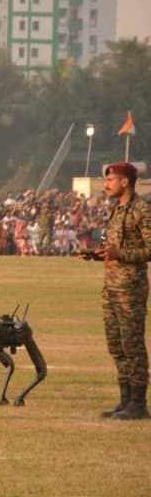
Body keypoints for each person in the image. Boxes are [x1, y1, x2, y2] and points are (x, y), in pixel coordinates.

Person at [84, 162, 150, 419]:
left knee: (132, 344)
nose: (106, 184)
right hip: (111, 287)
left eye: (111, 180)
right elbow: (112, 248)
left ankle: (138, 402)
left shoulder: (142, 210)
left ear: (125, 182)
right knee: (116, 345)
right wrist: (97, 255)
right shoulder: (117, 210)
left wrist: (120, 254)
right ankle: (125, 400)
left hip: (130, 289)